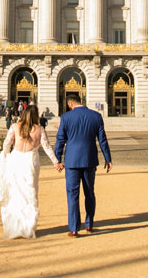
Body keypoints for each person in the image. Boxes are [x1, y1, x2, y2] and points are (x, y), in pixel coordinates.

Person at [0, 105, 59, 239]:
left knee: (14, 193)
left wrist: (4, 156)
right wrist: (55, 162)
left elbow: (6, 144)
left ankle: (13, 226)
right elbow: (47, 147)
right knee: (29, 193)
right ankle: (28, 228)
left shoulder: (14, 127)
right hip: (30, 161)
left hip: (16, 160)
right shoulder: (39, 129)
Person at [54, 92, 112, 237]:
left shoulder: (66, 117)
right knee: (89, 193)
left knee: (72, 194)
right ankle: (89, 224)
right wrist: (108, 158)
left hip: (72, 161)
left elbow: (60, 140)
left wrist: (58, 160)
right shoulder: (96, 116)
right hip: (89, 159)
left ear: (69, 104)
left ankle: (73, 228)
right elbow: (102, 140)